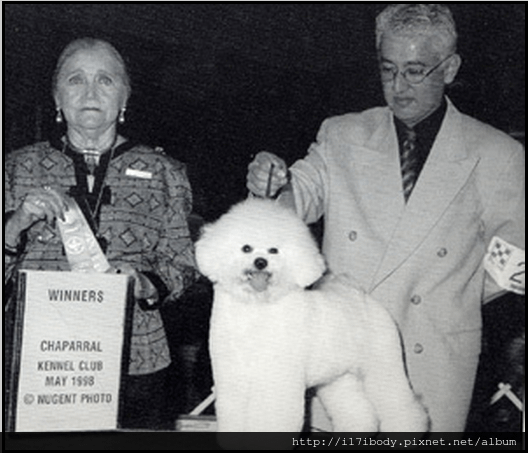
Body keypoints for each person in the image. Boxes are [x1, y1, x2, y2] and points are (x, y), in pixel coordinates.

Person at [247, 4, 525, 432]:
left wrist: (455, 297)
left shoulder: (497, 154)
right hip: (346, 353)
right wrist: (272, 182)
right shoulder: (342, 134)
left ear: (449, 68)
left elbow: (519, 259)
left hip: (432, 358)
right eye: (388, 69)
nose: (398, 87)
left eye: (415, 71)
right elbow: (297, 198)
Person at [4, 38, 198, 430]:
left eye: (105, 80)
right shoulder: (16, 168)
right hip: (40, 360)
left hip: (137, 360)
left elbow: (184, 265)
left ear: (124, 96)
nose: (90, 91)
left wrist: (145, 284)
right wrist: (15, 224)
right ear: (57, 96)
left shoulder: (166, 173)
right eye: (76, 80)